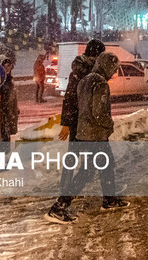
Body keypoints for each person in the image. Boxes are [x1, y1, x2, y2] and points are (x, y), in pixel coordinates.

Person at [45, 52, 130, 224]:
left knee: (104, 165)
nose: (113, 74)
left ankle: (109, 199)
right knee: (88, 170)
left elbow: (80, 106)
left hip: (84, 132)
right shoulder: (100, 83)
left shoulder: (85, 80)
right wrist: (109, 124)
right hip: (96, 134)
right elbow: (98, 112)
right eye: (113, 69)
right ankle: (59, 206)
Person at [55, 40, 105, 213]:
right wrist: (67, 124)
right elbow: (69, 99)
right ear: (96, 56)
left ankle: (68, 193)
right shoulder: (80, 73)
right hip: (79, 122)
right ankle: (65, 194)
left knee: (85, 159)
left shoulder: (91, 71)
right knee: (78, 158)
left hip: (87, 122)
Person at [0, 55, 20, 159]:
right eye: (4, 66)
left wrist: (15, 109)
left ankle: (2, 163)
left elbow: (11, 99)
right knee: (1, 143)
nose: (7, 68)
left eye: (9, 65)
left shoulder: (9, 81)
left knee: (6, 141)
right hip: (1, 118)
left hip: (8, 117)